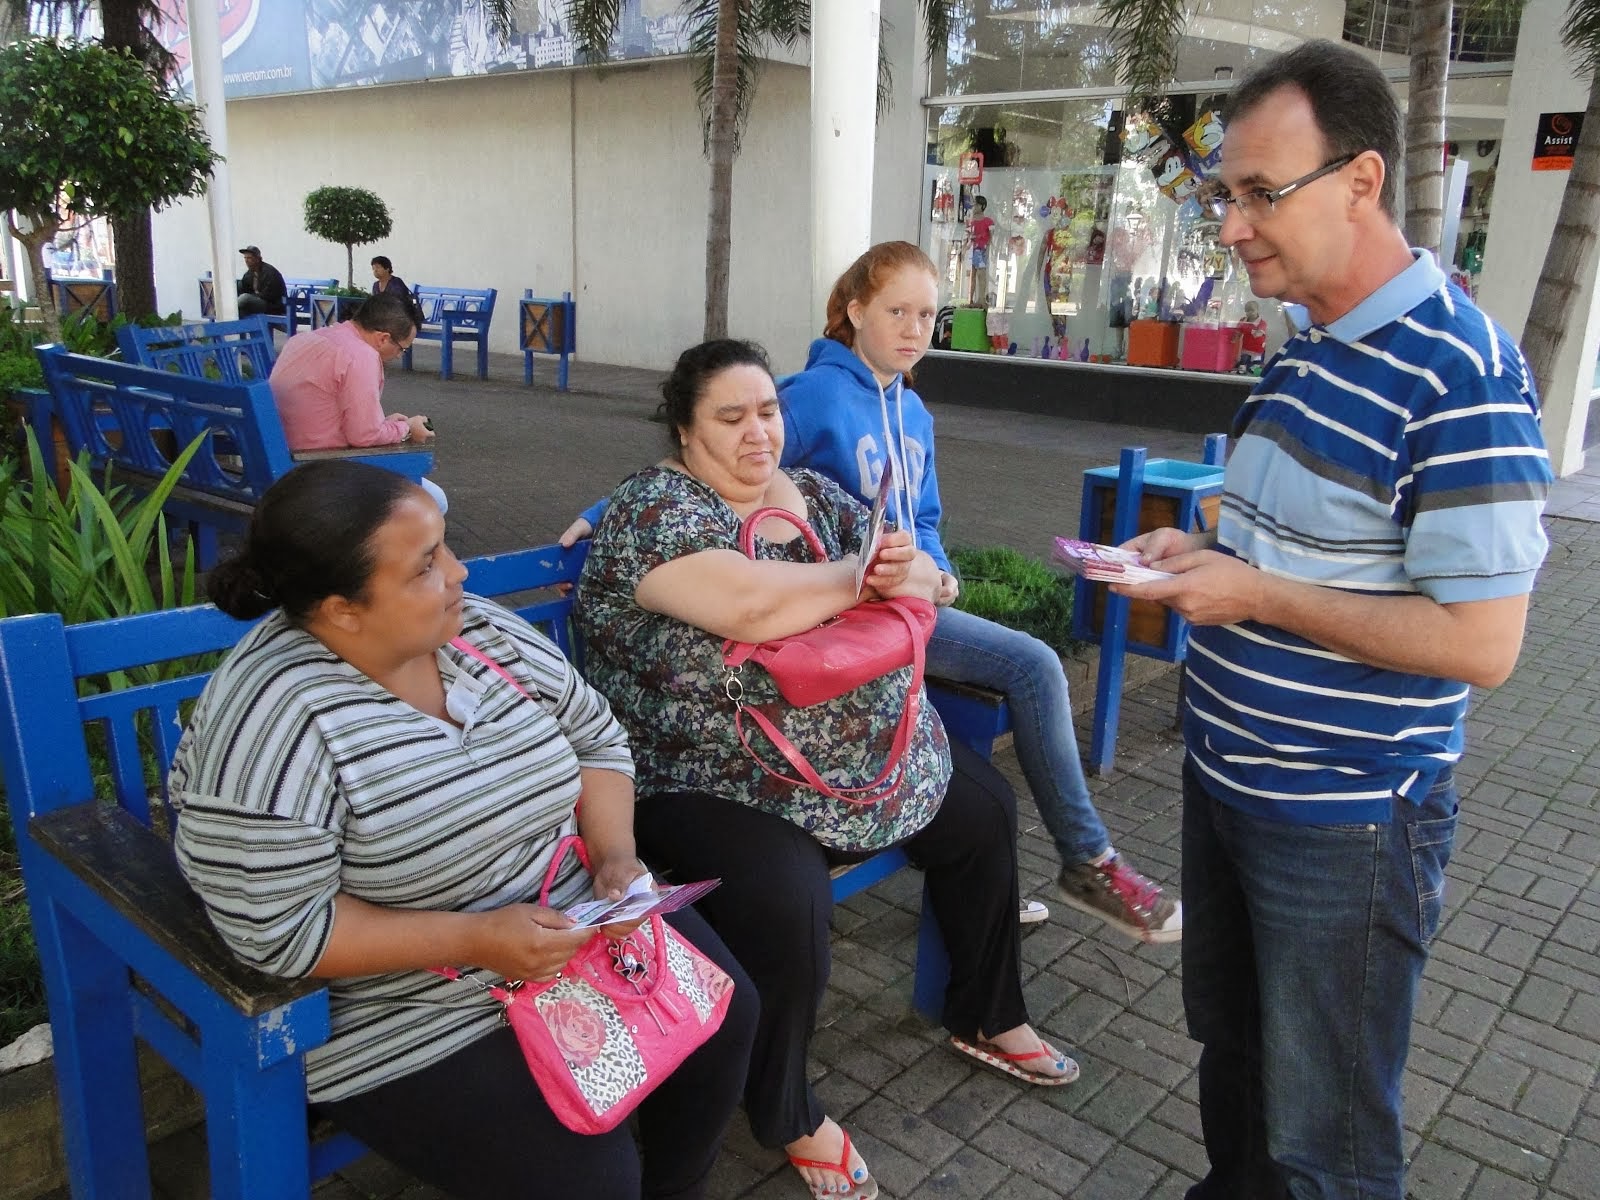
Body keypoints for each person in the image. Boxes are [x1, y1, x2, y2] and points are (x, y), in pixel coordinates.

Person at [1119, 41, 1552, 1199]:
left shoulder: (1462, 377)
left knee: (1329, 1139)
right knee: (1236, 1060)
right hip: (1229, 783)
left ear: (1360, 181)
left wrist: (1252, 594)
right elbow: (1306, 553)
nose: (1231, 225)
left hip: (1347, 822)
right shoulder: (1305, 343)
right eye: (1226, 195)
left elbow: (1482, 644)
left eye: (1262, 193)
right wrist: (1205, 553)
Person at [167, 461, 758, 1200]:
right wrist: (474, 940)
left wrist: (615, 858)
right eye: (425, 566)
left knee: (729, 1018)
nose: (459, 572)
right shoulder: (276, 724)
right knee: (592, 1180)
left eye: (444, 547)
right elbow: (285, 931)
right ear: (341, 609)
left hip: (574, 928)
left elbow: (594, 738)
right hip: (411, 1007)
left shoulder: (474, 631)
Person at [576, 340, 1076, 1200]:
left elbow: (924, 576)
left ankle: (988, 1010)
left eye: (767, 412)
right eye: (730, 418)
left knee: (982, 806)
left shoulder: (810, 494)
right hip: (698, 770)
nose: (756, 433)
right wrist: (859, 576)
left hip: (840, 754)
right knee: (787, 900)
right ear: (685, 430)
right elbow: (752, 604)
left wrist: (902, 571)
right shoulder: (654, 511)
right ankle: (784, 1110)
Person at [778, 241, 1182, 942]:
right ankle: (1088, 860)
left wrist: (943, 578)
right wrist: (605, 516)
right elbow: (722, 463)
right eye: (896, 311)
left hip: (906, 612)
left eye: (928, 315)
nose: (913, 330)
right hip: (838, 617)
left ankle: (1001, 879)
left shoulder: (913, 412)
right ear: (854, 311)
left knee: (1009, 686)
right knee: (1034, 664)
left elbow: (925, 521)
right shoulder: (811, 397)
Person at [268, 293, 448, 512]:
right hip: (318, 469)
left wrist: (386, 425)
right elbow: (364, 436)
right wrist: (407, 430)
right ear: (383, 338)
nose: (400, 356)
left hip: (282, 459)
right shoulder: (360, 355)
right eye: (403, 348)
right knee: (435, 501)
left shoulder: (303, 340)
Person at [237, 245, 287, 317]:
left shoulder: (270, 272)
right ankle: (231, 324)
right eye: (245, 258)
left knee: (245, 298)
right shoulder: (248, 274)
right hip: (258, 302)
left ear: (258, 259)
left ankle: (229, 314)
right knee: (239, 295)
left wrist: (251, 297)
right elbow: (245, 289)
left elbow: (270, 295)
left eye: (249, 258)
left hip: (272, 306)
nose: (246, 261)